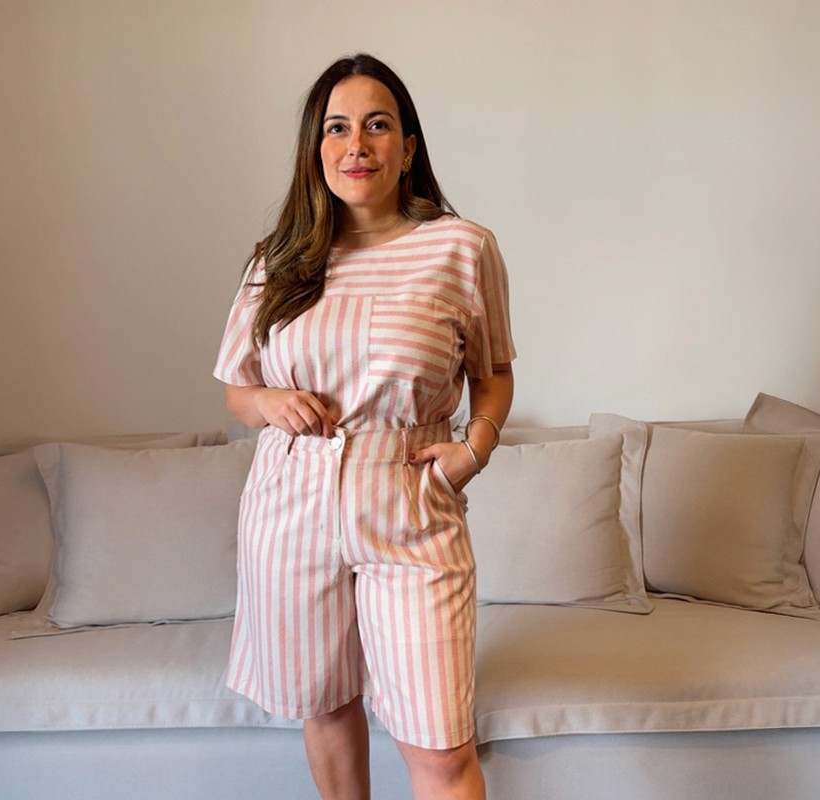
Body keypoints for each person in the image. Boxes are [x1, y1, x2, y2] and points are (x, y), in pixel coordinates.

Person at [213, 52, 515, 800]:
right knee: (326, 705)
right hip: (290, 502)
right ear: (317, 149)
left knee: (442, 749)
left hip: (410, 500)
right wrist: (269, 405)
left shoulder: (461, 247)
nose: (358, 145)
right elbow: (237, 390)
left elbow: (494, 371)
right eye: (338, 128)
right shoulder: (278, 261)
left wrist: (474, 450)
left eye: (378, 126)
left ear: (407, 146)